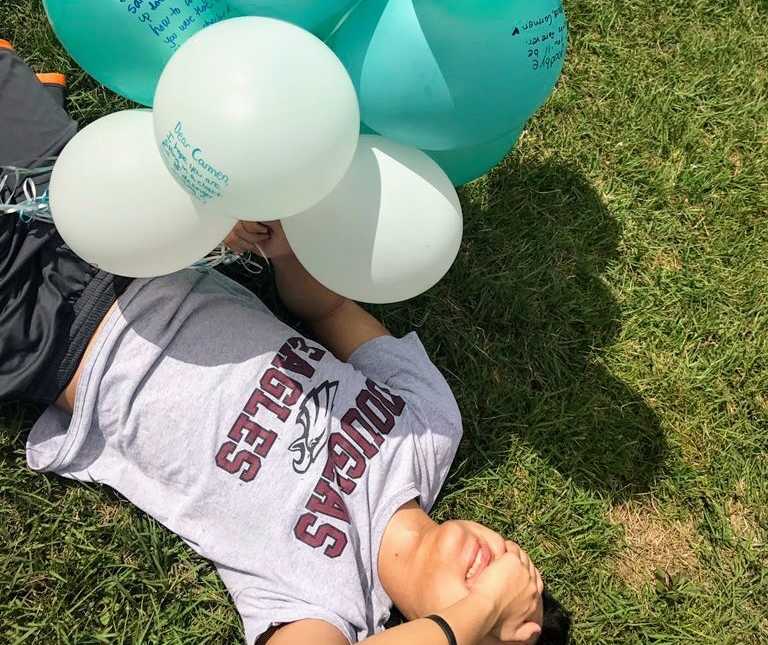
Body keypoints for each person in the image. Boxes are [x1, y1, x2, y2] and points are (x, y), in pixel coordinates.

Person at [2, 41, 570, 645]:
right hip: (145, 234)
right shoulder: (432, 426)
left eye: (508, 603)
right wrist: (289, 249)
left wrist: (482, 615)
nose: (507, 567)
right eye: (519, 567)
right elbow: (326, 308)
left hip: (49, 339)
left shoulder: (325, 603)